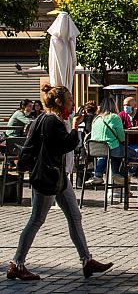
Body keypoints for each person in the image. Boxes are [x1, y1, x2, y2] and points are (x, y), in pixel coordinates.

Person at [8, 84, 112, 281]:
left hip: (58, 177)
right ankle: (17, 263)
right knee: (37, 219)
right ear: (59, 102)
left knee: (75, 217)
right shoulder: (50, 122)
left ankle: (86, 260)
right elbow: (67, 144)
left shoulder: (47, 119)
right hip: (47, 177)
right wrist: (74, 127)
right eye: (70, 99)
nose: (72, 103)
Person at [87, 97, 126, 186]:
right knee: (132, 153)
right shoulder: (115, 117)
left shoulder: (96, 119)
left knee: (107, 154)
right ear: (114, 106)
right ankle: (118, 175)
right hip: (111, 148)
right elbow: (122, 137)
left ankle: (98, 175)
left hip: (95, 150)